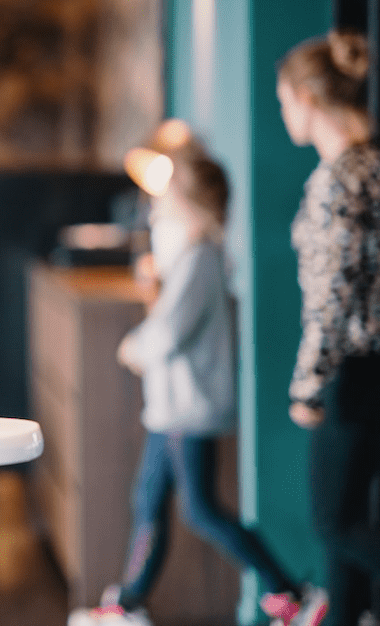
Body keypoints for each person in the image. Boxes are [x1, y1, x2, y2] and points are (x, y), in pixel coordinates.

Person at [68, 149, 326, 626]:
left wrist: (135, 347)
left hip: (187, 410)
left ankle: (287, 592)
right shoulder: (192, 254)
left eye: (168, 193)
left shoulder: (201, 258)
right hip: (172, 409)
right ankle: (128, 602)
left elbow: (170, 331)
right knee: (149, 500)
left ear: (188, 201)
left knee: (201, 511)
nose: (159, 202)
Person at [277, 29, 380, 626]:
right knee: (348, 524)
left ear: (307, 99)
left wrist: (308, 387)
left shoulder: (336, 181)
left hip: (351, 374)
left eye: (283, 101)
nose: (284, 114)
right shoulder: (375, 168)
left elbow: (331, 300)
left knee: (334, 522)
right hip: (374, 369)